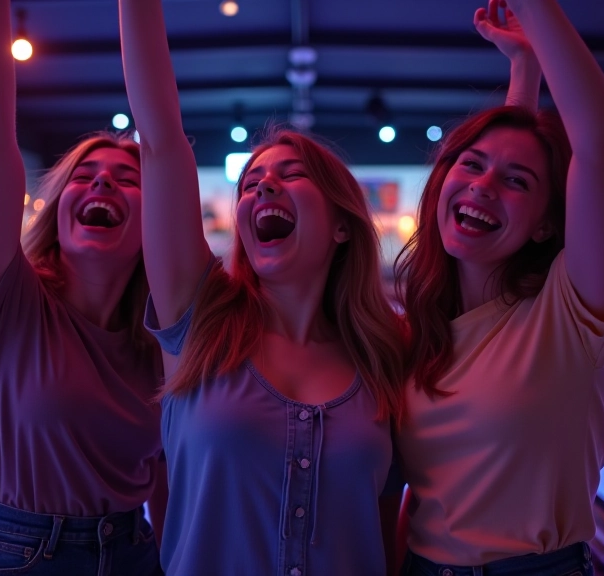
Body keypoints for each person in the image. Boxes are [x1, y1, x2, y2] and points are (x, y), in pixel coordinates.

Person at [119, 1, 407, 574]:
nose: (263, 187)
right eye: (251, 183)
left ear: (343, 223)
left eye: (290, 175)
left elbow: (386, 525)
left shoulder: (386, 353)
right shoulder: (200, 318)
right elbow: (160, 142)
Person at [394, 1, 604, 575]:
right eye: (470, 165)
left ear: (549, 223)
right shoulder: (424, 331)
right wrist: (523, 71)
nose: (481, 187)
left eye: (515, 182)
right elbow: (422, 494)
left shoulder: (572, 316)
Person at [0, 1, 164, 574]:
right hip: (20, 555)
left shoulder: (158, 340)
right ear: (60, 206)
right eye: (84, 175)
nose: (101, 181)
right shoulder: (8, 301)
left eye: (127, 178)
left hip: (134, 552)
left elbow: (165, 482)